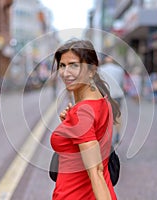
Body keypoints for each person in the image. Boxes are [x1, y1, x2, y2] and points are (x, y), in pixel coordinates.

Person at [50, 39, 120, 200]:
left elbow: (96, 172)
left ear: (91, 70)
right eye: (62, 65)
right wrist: (69, 127)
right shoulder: (102, 101)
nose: (66, 72)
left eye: (74, 65)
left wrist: (76, 120)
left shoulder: (82, 113)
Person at [98, 55, 125, 144]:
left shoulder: (100, 69)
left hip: (106, 95)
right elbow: (122, 83)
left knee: (105, 116)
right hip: (117, 94)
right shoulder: (119, 70)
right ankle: (117, 134)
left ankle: (106, 135)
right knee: (117, 115)